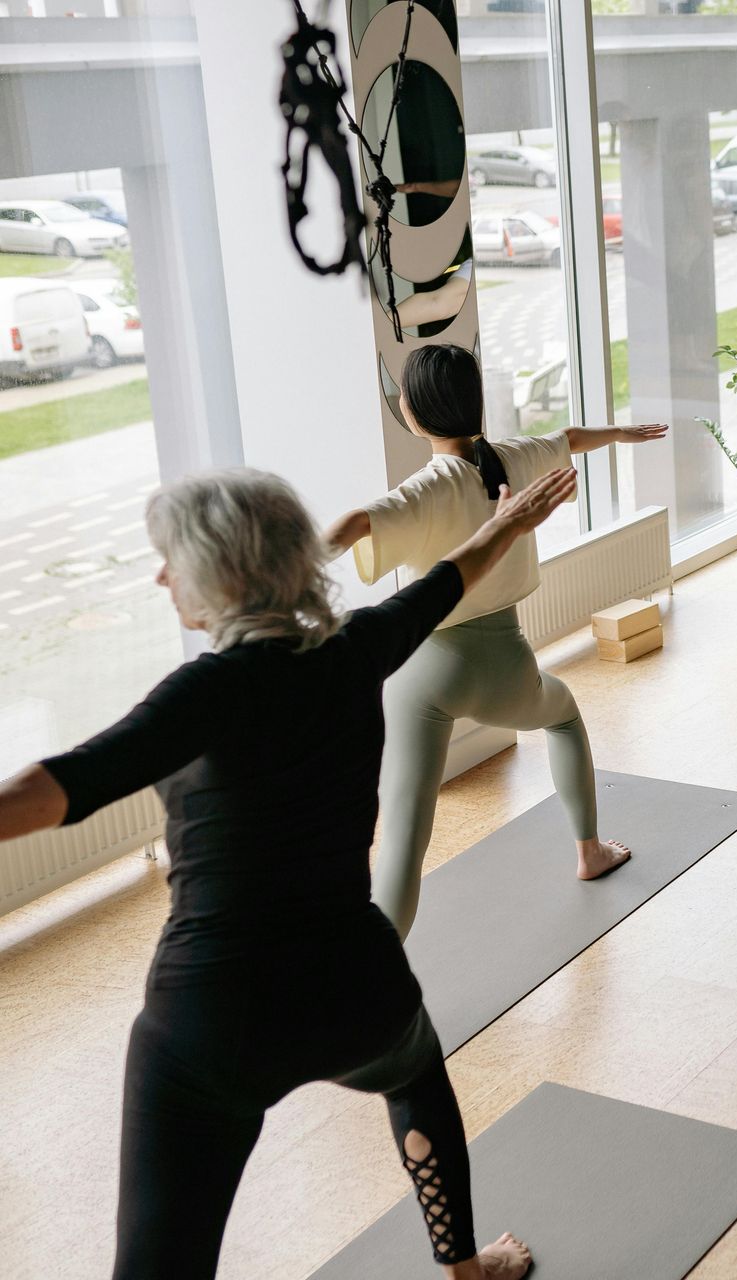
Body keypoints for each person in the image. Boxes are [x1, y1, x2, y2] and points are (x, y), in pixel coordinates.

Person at [0, 465, 580, 1280]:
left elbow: (53, 787)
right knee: (416, 1074)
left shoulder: (200, 693)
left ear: (221, 572)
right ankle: (465, 1269)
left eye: (171, 558)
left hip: (212, 1023)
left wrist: (507, 526)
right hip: (353, 989)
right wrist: (511, 521)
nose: (163, 575)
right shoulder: (355, 650)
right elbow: (450, 580)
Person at [323, 343, 668, 938]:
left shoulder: (429, 485)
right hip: (506, 663)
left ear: (415, 411)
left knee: (406, 829)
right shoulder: (510, 461)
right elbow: (570, 437)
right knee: (562, 714)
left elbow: (355, 525)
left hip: (423, 672)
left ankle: (371, 979)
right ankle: (589, 851)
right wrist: (622, 433)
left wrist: (286, 565)